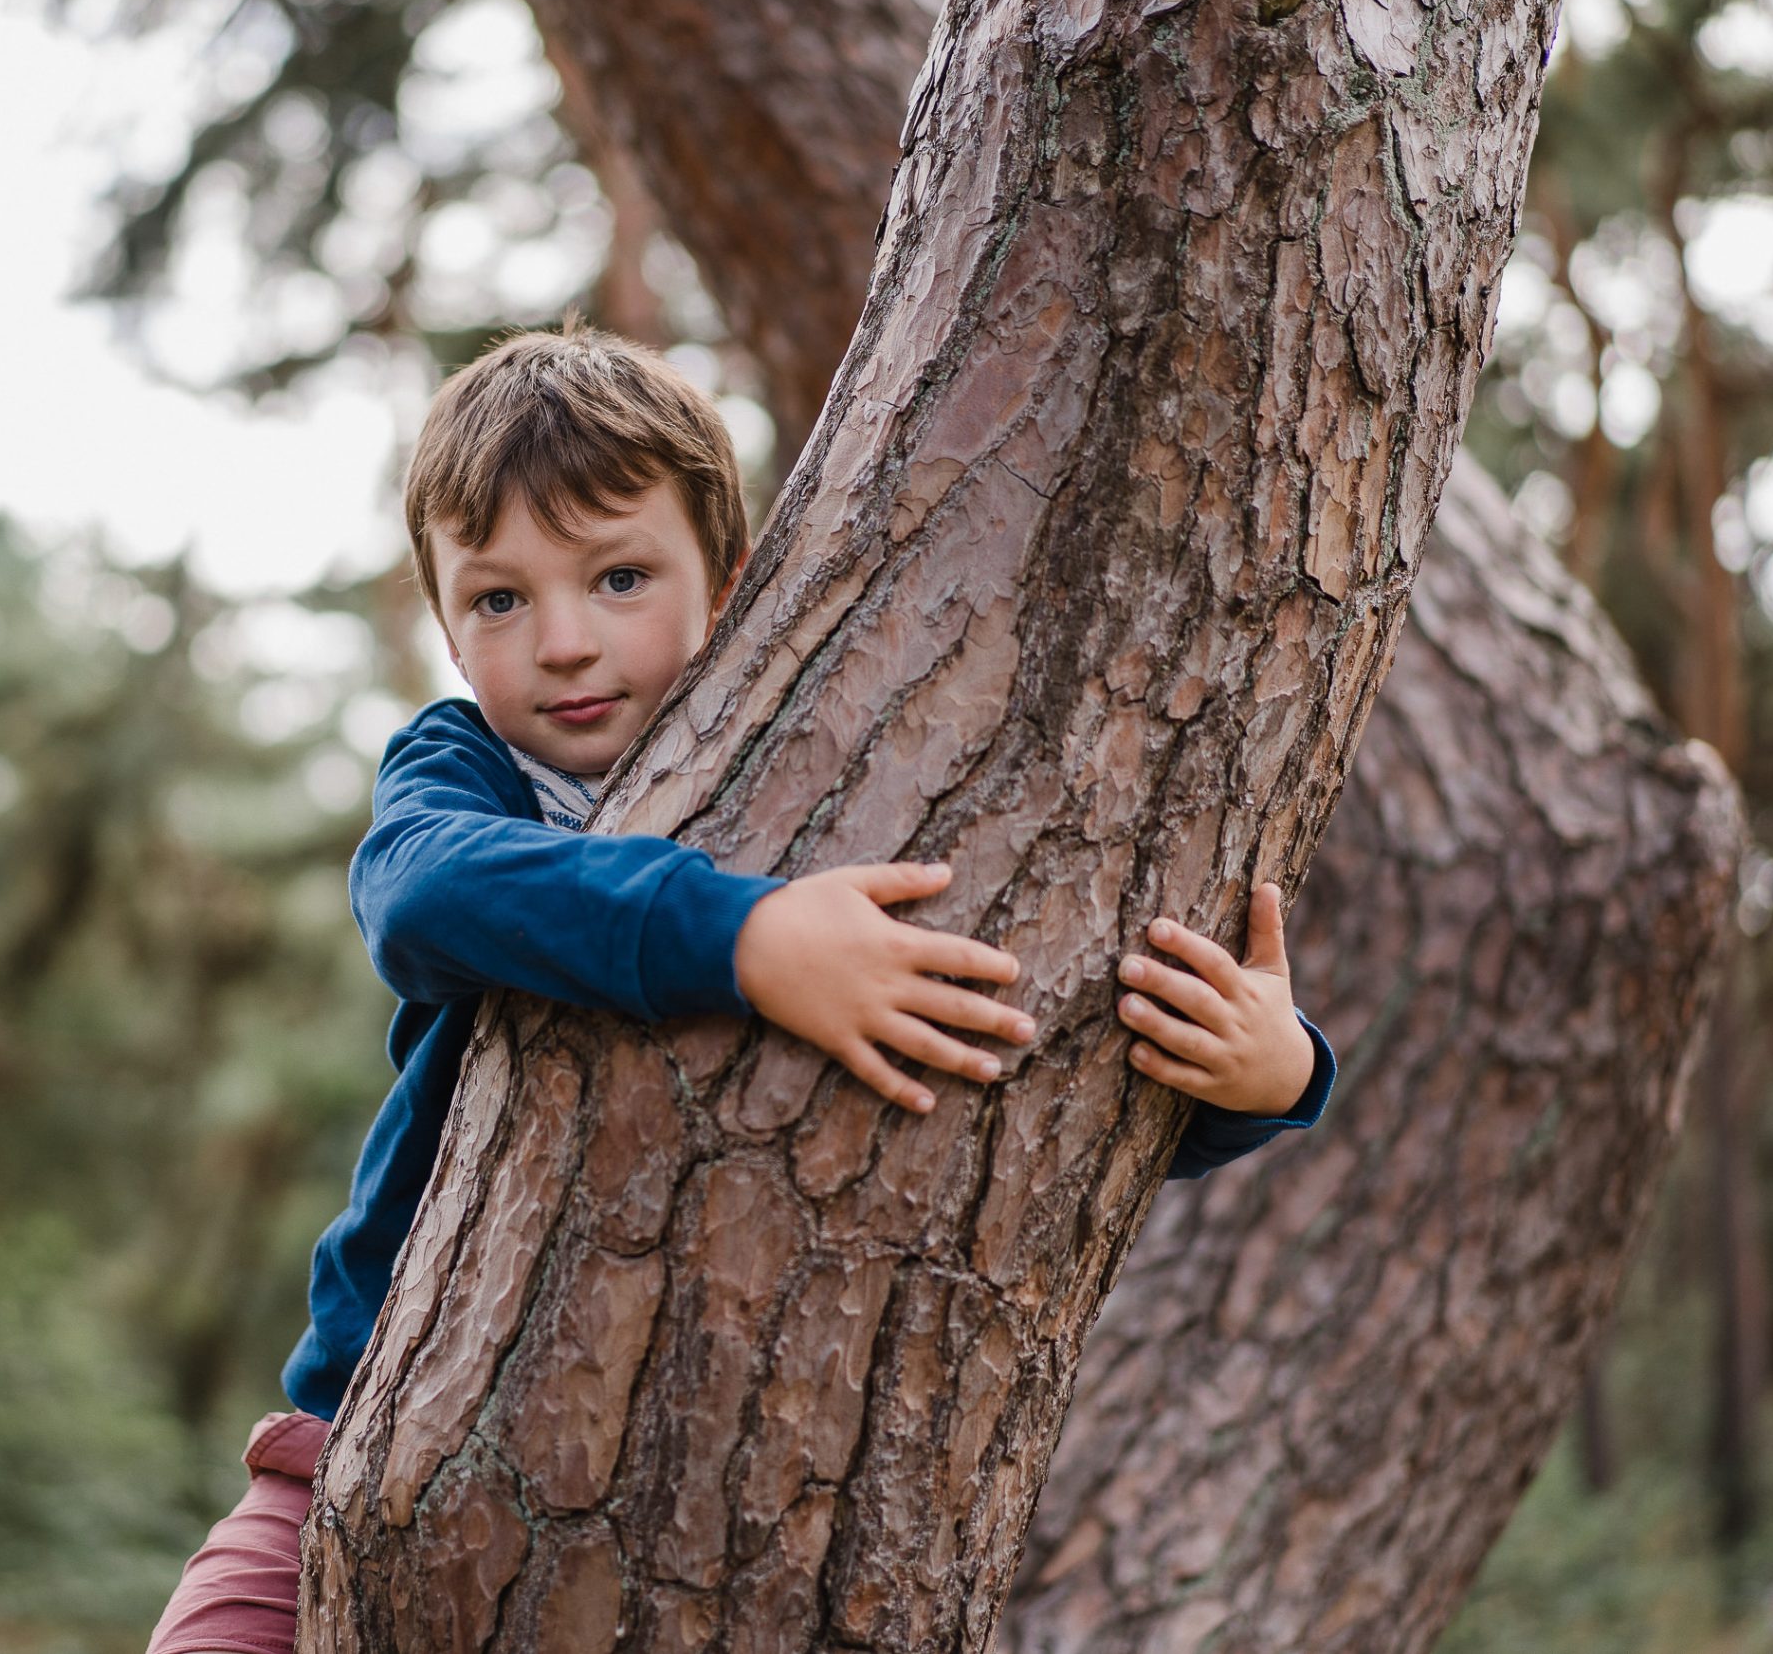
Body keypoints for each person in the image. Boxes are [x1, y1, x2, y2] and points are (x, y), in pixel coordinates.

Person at [146, 322, 1337, 1654]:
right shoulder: (467, 770)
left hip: (698, 1509)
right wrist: (746, 940)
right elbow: (419, 893)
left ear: (730, 576)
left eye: (620, 578)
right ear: (441, 618)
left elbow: (1010, 1066)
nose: (561, 643)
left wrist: (1271, 1080)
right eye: (497, 600)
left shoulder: (824, 782)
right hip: (357, 1438)